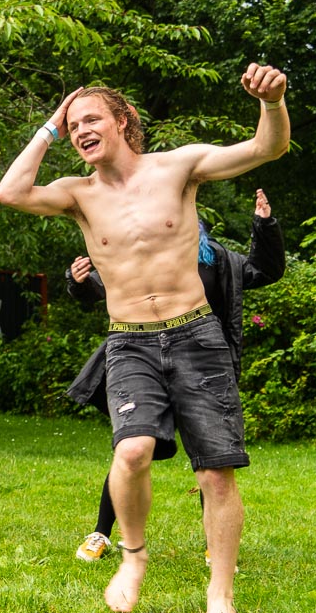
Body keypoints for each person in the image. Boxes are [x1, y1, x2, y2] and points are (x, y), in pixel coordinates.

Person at [0, 64, 289, 613]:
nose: (81, 131)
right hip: (129, 341)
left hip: (196, 334)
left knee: (215, 474)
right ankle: (132, 556)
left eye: (91, 119)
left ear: (123, 120)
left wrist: (272, 103)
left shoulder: (177, 167)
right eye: (73, 126)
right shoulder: (76, 194)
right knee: (131, 452)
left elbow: (265, 148)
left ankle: (220, 593)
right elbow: (9, 192)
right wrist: (50, 126)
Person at [69, 189, 285, 562]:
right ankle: (101, 533)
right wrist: (80, 281)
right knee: (130, 451)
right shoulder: (143, 254)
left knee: (213, 459)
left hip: (203, 366)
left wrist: (264, 225)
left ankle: (214, 545)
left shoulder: (217, 259)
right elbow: (100, 289)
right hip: (145, 363)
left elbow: (265, 270)